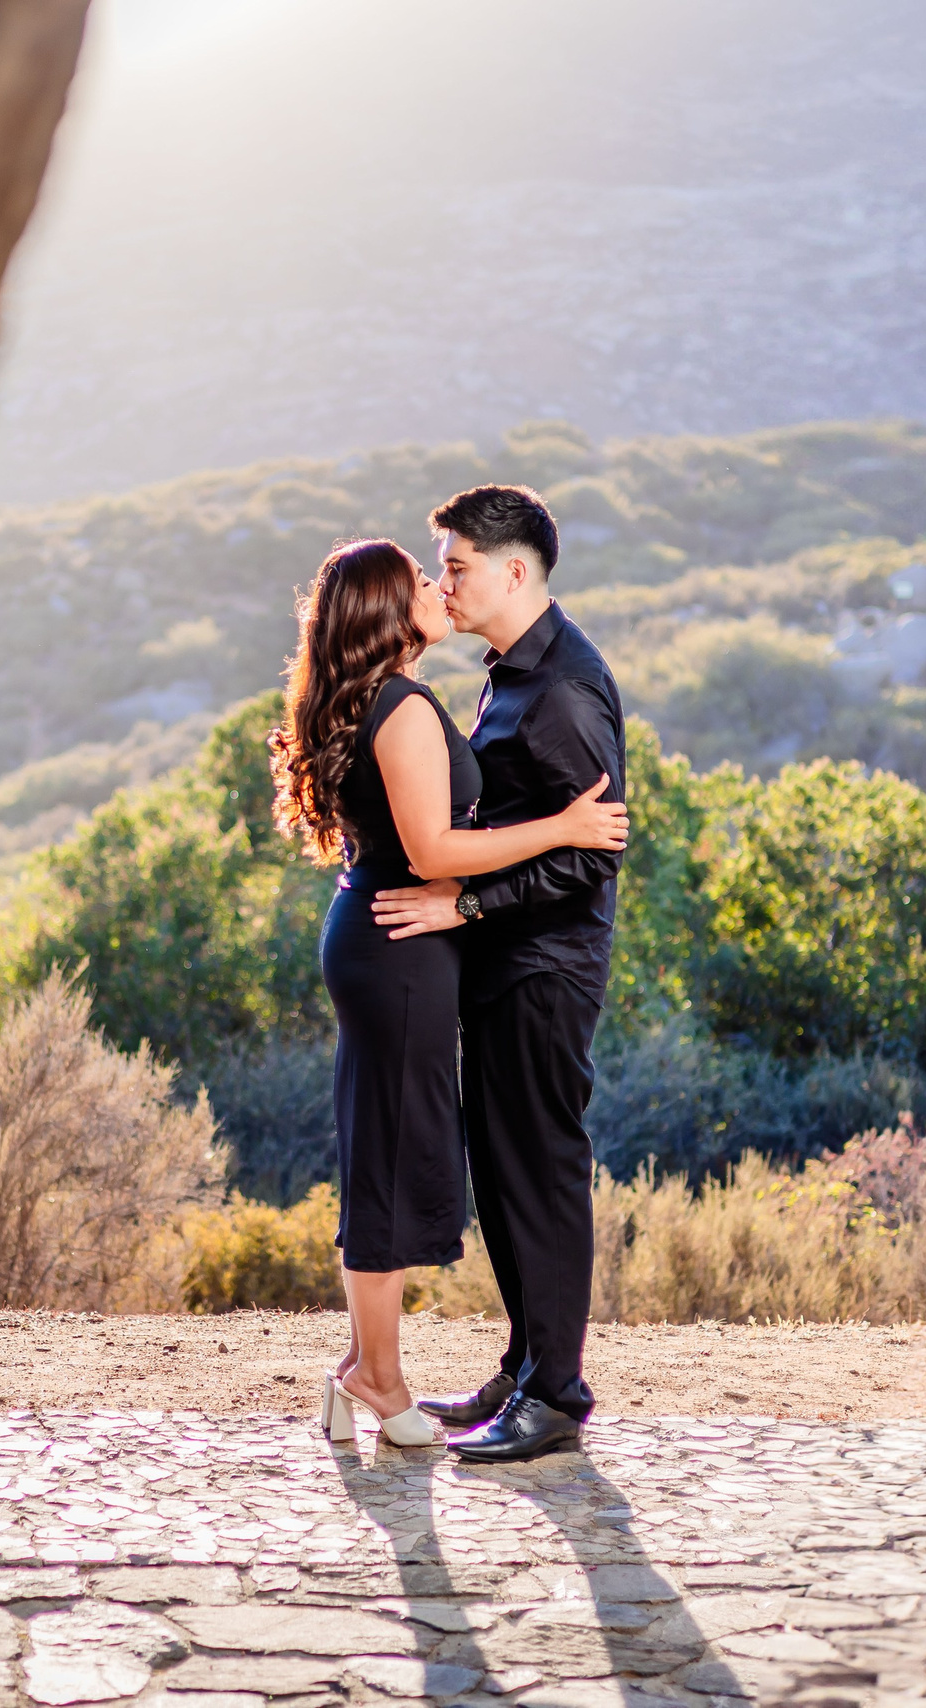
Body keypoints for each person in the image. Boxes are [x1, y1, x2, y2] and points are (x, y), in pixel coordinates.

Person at [269, 537, 627, 1447]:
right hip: (401, 945)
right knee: (389, 1152)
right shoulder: (407, 706)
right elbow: (433, 852)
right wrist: (566, 823)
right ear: (390, 612)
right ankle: (379, 1378)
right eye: (424, 579)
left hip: (384, 937)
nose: (439, 587)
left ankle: (390, 1372)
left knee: (384, 1145)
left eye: (449, 569)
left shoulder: (378, 698)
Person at [373, 485, 626, 1463]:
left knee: (541, 1170)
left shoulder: (560, 688)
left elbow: (589, 853)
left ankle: (555, 1394)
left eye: (456, 566)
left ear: (514, 571)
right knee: (505, 1169)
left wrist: (464, 904)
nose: (443, 582)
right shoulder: (515, 673)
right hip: (508, 961)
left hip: (544, 968)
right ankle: (524, 1365)